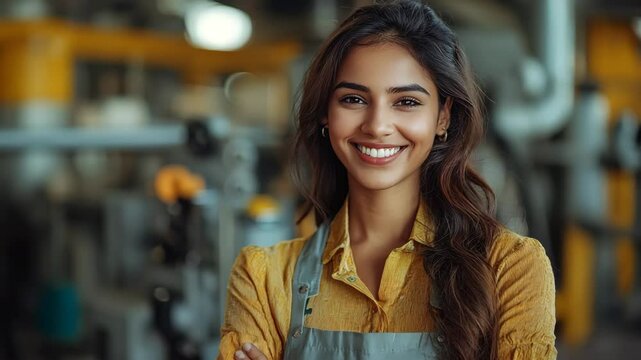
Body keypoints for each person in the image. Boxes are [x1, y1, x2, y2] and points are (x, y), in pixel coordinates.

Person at [217, 1, 556, 359]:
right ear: (325, 115)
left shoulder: (511, 267)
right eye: (353, 99)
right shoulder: (265, 278)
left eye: (406, 102)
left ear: (443, 117)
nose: (377, 126)